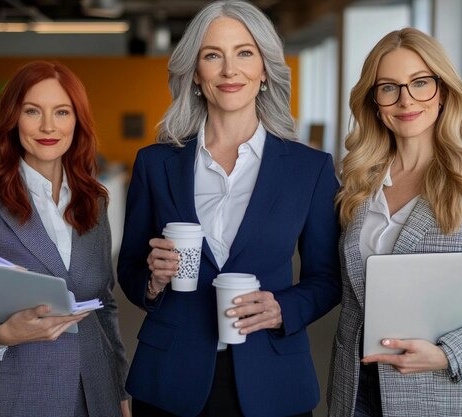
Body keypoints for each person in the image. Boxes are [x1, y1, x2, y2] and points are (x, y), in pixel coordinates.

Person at [117, 1, 341, 416]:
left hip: (272, 378)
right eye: (212, 55)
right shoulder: (155, 163)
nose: (229, 70)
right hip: (169, 375)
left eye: (244, 52)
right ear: (196, 74)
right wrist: (151, 281)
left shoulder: (309, 169)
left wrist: (282, 308)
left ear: (265, 70)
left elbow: (327, 278)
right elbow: (129, 266)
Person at [326, 27, 462, 417]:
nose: (406, 99)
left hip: (443, 395)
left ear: (442, 92)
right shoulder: (359, 182)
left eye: (420, 83)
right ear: (374, 101)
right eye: (389, 87)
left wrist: (448, 355)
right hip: (355, 390)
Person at [0, 61, 131, 417]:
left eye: (62, 112)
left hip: (99, 395)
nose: (49, 126)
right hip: (22, 397)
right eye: (33, 111)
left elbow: (104, 306)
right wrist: (1, 336)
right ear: (13, 119)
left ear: (77, 121)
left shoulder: (93, 200)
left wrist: (120, 391)